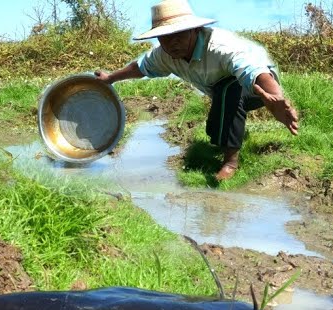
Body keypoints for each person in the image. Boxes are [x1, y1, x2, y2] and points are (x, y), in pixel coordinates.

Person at [95, 0, 299, 182]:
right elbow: (140, 67)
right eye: (165, 37)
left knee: (229, 88)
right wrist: (110, 78)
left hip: (260, 88)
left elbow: (251, 70)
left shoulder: (220, 46)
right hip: (222, 91)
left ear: (194, 30)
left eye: (178, 34)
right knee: (216, 128)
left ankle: (230, 163)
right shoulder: (164, 55)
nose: (172, 42)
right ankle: (228, 136)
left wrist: (276, 99)